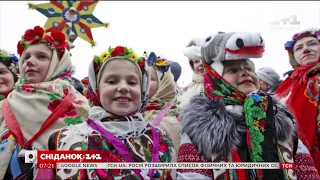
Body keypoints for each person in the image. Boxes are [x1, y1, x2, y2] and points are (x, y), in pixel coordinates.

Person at [177, 32, 319, 179]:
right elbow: (192, 175)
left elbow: (304, 168)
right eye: (233, 70)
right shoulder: (200, 123)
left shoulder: (278, 114)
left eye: (249, 68)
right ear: (216, 79)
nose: (245, 73)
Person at [49, 46, 176, 179]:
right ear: (96, 89)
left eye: (132, 82)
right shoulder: (66, 138)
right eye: (111, 81)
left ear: (143, 90)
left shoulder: (160, 138)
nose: (123, 87)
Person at [0, 26, 90, 179]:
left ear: (59, 63)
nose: (29, 62)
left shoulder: (78, 103)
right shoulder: (6, 104)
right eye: (26, 57)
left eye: (41, 57)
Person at [275, 28, 320, 172]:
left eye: (312, 44)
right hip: (292, 152)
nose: (305, 49)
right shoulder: (287, 84)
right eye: (299, 48)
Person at [144, 52, 181, 151]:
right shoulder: (133, 112)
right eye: (143, 77)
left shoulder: (173, 120)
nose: (144, 82)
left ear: (164, 84)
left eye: (150, 78)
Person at [176, 39, 205, 111]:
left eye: (204, 60)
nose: (201, 64)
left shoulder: (220, 87)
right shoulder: (186, 89)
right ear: (192, 65)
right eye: (196, 61)